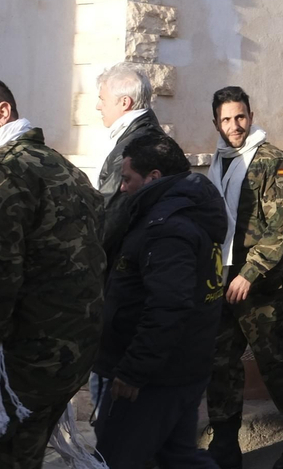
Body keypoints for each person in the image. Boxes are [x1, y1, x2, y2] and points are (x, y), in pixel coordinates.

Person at [0, 77, 106, 469]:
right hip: (67, 353)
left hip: (18, 363)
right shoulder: (61, 165)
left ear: (2, 112)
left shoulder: (2, 172)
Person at [93, 131, 226, 469]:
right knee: (177, 457)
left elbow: (169, 305)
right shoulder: (182, 213)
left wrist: (134, 371)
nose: (122, 187)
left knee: (115, 460)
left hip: (155, 379)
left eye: (127, 179)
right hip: (179, 369)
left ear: (153, 177)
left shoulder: (167, 227)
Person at [203, 87, 283, 469]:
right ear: (215, 122)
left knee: (272, 362)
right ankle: (224, 442)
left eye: (240, 117)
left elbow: (281, 229)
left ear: (251, 115)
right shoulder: (218, 161)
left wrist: (249, 273)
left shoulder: (270, 160)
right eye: (226, 119)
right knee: (220, 362)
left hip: (261, 282)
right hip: (221, 278)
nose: (234, 126)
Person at [95, 63, 161, 206]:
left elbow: (110, 208)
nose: (98, 106)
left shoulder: (131, 146)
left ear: (124, 102)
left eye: (102, 99)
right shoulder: (137, 134)